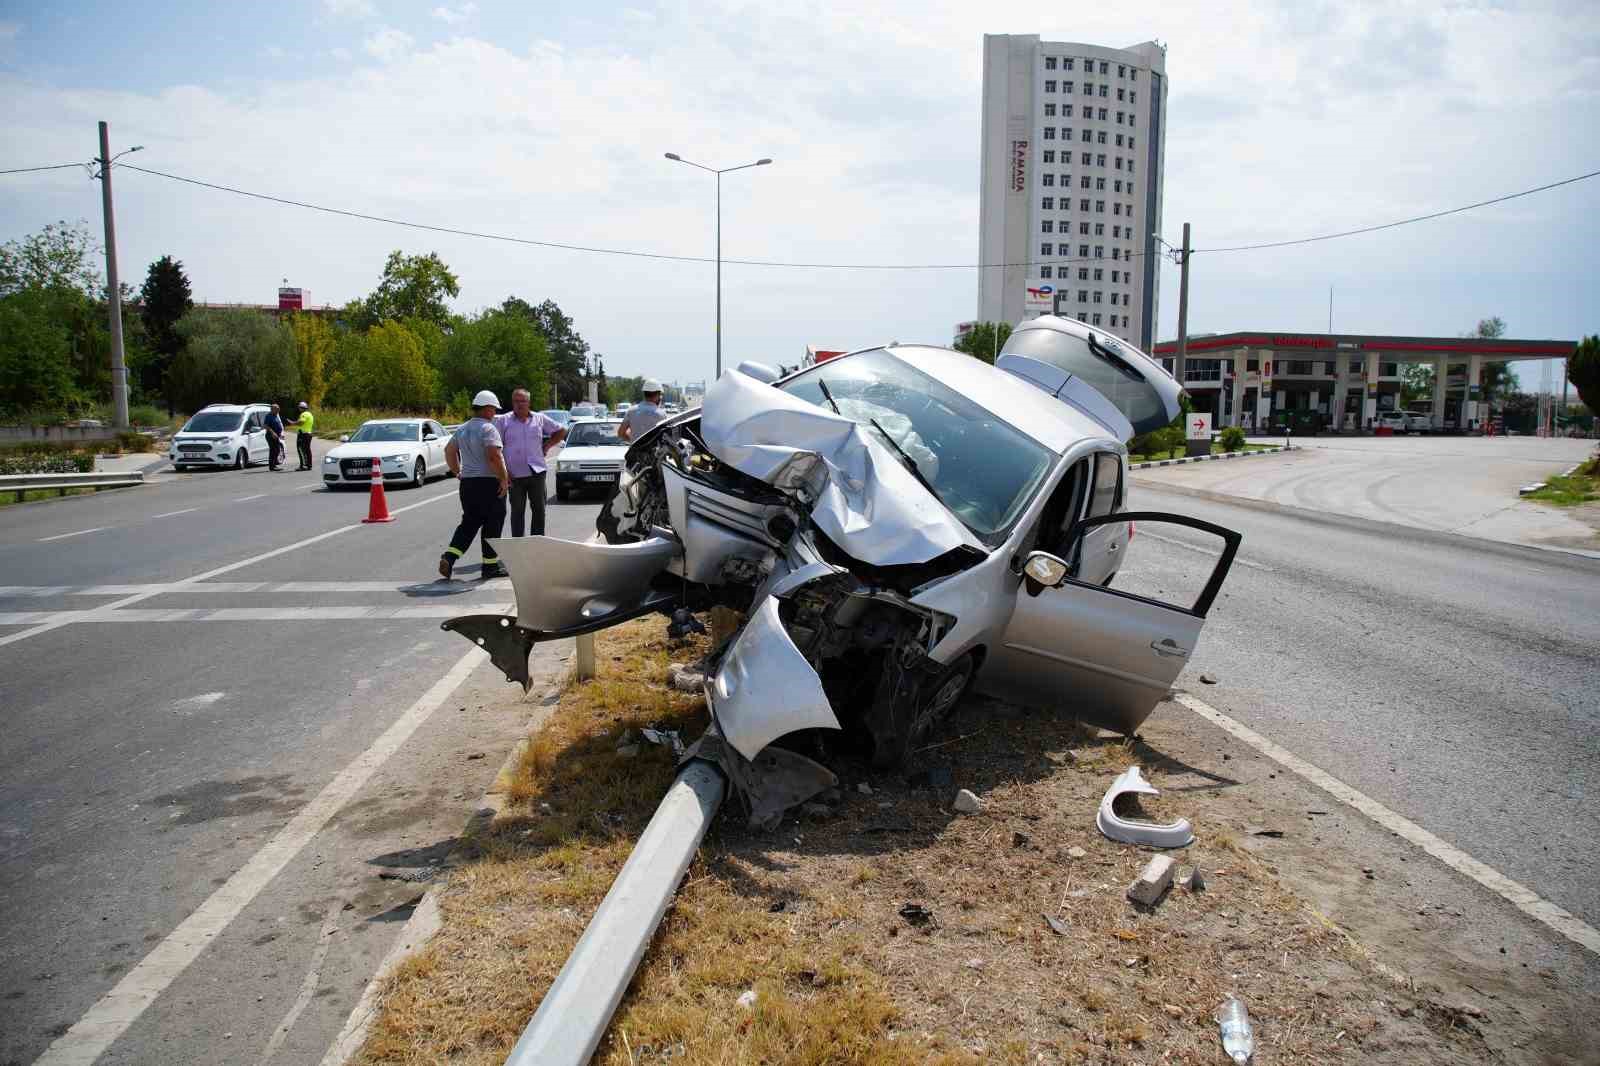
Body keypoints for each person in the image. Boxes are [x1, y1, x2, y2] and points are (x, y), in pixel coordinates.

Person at [440, 390, 511, 580]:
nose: (494, 413)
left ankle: (449, 557)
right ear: (487, 409)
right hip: (489, 483)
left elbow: (449, 451)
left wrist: (457, 472)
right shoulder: (488, 429)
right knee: (493, 524)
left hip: (468, 484)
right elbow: (494, 456)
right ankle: (490, 567)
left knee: (469, 523)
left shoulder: (462, 429)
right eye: (493, 409)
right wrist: (503, 479)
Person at [494, 387, 566, 537]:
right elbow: (496, 448)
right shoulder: (503, 421)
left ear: (529, 402)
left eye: (523, 401)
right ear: (512, 402)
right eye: (516, 401)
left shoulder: (539, 418)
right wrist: (503, 472)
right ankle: (519, 543)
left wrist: (547, 446)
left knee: (539, 510)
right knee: (517, 512)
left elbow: (561, 431)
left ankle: (537, 542)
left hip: (537, 473)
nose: (520, 404)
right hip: (514, 475)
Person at [290, 401, 315, 470]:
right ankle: (309, 465)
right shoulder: (310, 414)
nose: (299, 409)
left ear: (302, 408)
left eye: (299, 407)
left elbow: (301, 422)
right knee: (307, 450)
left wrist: (293, 423)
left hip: (303, 434)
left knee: (301, 450)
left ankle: (303, 465)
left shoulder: (304, 414)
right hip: (308, 433)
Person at [264, 403, 286, 470]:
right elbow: (266, 425)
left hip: (276, 436)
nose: (278, 410)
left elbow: (278, 426)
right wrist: (273, 433)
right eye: (277, 409)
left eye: (278, 409)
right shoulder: (269, 416)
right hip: (270, 436)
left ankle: (274, 464)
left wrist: (280, 434)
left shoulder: (276, 415)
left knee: (277, 450)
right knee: (273, 450)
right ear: (272, 409)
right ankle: (272, 466)